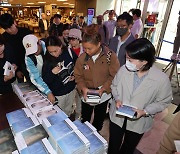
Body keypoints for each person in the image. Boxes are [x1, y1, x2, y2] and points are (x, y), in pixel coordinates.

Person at [108, 38, 173, 154]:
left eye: (130, 59)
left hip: (139, 121)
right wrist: (117, 98)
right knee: (113, 145)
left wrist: (145, 111)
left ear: (144, 61)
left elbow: (163, 102)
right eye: (127, 58)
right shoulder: (124, 70)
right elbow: (114, 86)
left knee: (128, 147)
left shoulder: (161, 79)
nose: (126, 61)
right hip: (117, 116)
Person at [74, 24, 120, 131]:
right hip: (86, 93)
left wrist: (104, 88)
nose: (86, 51)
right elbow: (78, 76)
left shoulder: (110, 56)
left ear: (99, 44)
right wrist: (83, 88)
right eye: (84, 48)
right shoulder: (82, 58)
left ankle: (96, 134)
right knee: (85, 118)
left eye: (89, 48)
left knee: (99, 119)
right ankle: (85, 134)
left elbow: (114, 76)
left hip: (103, 94)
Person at [42, 36, 78, 116]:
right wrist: (52, 73)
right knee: (58, 116)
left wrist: (75, 75)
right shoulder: (47, 60)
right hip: (58, 95)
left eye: (55, 51)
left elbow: (77, 64)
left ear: (61, 46)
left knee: (68, 112)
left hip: (71, 90)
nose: (54, 54)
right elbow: (45, 81)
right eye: (50, 52)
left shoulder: (68, 52)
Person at [22, 34, 55, 103]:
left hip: (55, 80)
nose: (34, 53)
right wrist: (47, 91)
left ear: (39, 42)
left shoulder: (50, 45)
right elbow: (35, 76)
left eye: (35, 49)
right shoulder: (28, 57)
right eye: (31, 51)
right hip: (42, 82)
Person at [0, 13, 32, 82]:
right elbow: (8, 57)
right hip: (16, 66)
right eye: (6, 29)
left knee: (33, 82)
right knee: (21, 85)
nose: (9, 30)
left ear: (14, 22)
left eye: (10, 27)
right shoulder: (4, 38)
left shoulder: (26, 32)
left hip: (31, 63)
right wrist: (17, 70)